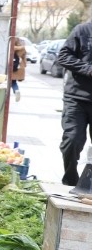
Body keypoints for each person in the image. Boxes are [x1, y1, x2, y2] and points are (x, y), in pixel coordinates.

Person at [55, 20, 92, 186]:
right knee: (72, 140)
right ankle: (70, 179)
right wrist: (87, 68)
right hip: (76, 98)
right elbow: (63, 56)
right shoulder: (82, 30)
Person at [10, 38, 26, 103]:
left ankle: (7, 95)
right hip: (18, 67)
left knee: (8, 82)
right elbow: (24, 58)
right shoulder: (22, 49)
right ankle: (16, 90)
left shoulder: (10, 48)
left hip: (11, 67)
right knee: (13, 82)